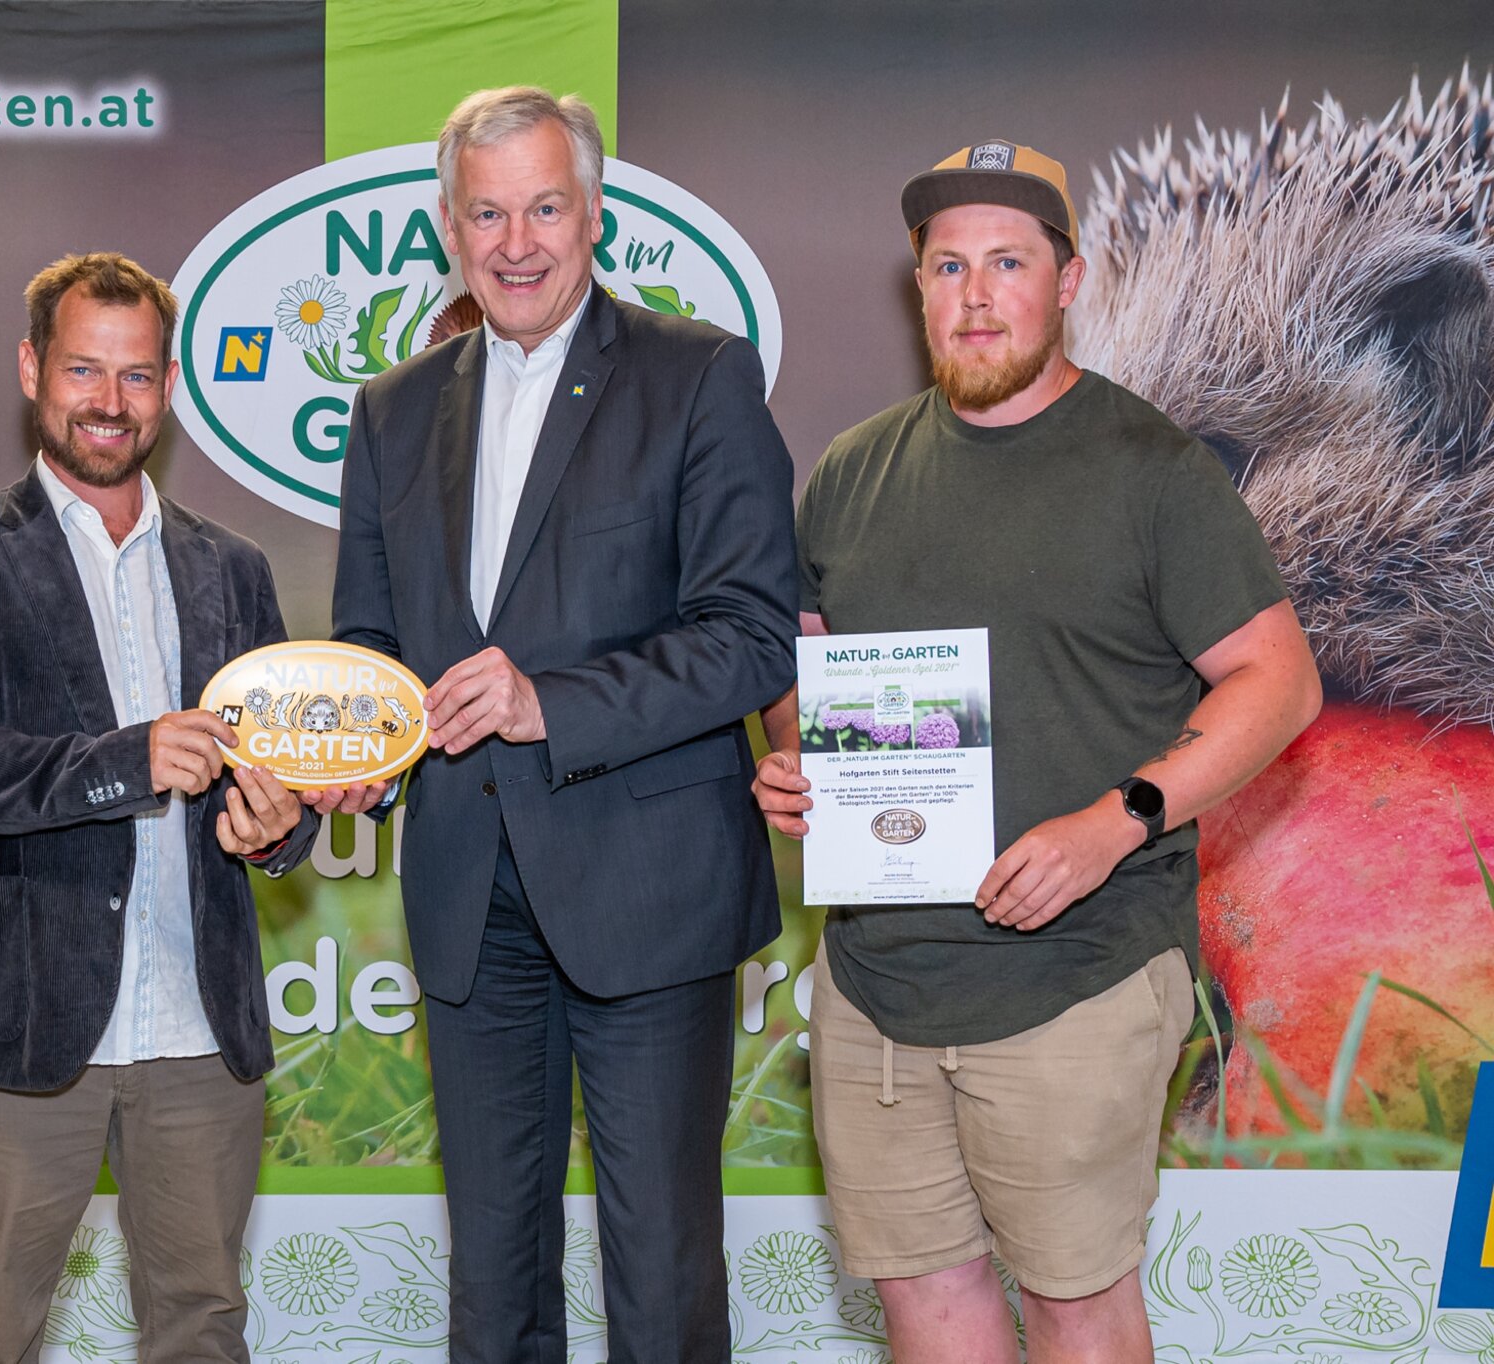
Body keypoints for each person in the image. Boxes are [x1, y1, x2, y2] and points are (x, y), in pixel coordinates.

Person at [754, 143, 1322, 1364]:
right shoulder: (850, 472)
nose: (973, 292)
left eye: (1006, 262)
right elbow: (800, 675)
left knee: (1074, 1306)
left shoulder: (1153, 468)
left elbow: (1277, 680)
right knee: (927, 1304)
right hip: (876, 982)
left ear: (1066, 279)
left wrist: (1114, 816)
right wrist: (797, 759)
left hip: (1079, 973)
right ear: (916, 287)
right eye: (946, 264)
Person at [313, 86, 798, 1362]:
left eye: (542, 207)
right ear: (447, 227)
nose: (514, 241)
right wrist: (358, 744)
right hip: (471, 897)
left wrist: (547, 704)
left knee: (659, 1279)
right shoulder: (392, 411)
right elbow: (368, 636)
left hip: (648, 891)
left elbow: (750, 633)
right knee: (492, 1279)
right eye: (486, 212)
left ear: (592, 217)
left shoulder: (696, 375)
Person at [0, 252, 317, 1364]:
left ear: (168, 386)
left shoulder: (234, 568)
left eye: (136, 375)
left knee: (203, 1329)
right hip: (17, 1029)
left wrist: (277, 828)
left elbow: (278, 781)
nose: (108, 402)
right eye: (82, 369)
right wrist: (124, 760)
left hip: (197, 1033)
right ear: (31, 371)